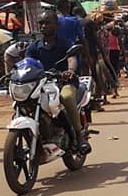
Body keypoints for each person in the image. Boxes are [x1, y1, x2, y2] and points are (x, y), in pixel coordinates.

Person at [26, 11, 89, 153]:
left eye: (47, 22)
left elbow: (71, 59)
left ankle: (79, 137)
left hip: (65, 82)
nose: (43, 26)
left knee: (65, 97)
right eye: (41, 23)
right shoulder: (34, 47)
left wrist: (70, 70)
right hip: (42, 85)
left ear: (57, 25)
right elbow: (27, 63)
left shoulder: (66, 43)